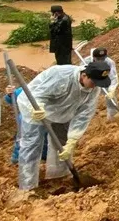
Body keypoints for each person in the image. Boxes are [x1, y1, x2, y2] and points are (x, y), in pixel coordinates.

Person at [17, 61, 111, 190]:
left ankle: (59, 175)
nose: (95, 87)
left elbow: (84, 115)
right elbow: (37, 94)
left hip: (63, 112)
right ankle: (28, 187)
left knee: (63, 142)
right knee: (32, 145)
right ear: (84, 76)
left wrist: (73, 140)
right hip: (36, 108)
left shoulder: (93, 89)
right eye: (94, 83)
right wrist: (38, 107)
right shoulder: (60, 75)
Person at [4, 85, 48, 164]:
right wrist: (10, 94)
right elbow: (12, 98)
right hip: (25, 124)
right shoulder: (28, 89)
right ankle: (17, 160)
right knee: (22, 142)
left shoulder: (48, 90)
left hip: (43, 123)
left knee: (43, 142)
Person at [83, 48, 119, 122]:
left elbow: (113, 77)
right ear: (94, 58)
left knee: (111, 98)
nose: (101, 61)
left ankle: (113, 117)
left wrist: (112, 89)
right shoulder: (86, 62)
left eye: (103, 58)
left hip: (103, 81)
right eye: (98, 59)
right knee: (86, 98)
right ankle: (85, 118)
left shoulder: (109, 62)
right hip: (90, 82)